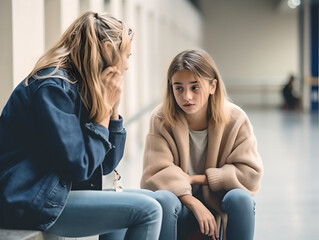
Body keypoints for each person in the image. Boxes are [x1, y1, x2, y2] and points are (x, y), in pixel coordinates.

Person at [0, 11, 180, 240]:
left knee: (162, 200)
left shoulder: (84, 86)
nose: (126, 65)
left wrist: (112, 110)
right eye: (127, 55)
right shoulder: (53, 88)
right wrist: (103, 112)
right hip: (28, 200)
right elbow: (79, 166)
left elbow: (104, 165)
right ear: (107, 50)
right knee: (148, 210)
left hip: (53, 193)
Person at [141, 49, 264, 240]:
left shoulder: (236, 119)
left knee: (241, 199)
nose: (186, 96)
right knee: (163, 199)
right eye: (178, 88)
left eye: (194, 87)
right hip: (180, 203)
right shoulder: (161, 118)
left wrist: (196, 179)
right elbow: (155, 173)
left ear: (212, 86)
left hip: (219, 201)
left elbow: (250, 173)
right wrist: (193, 202)